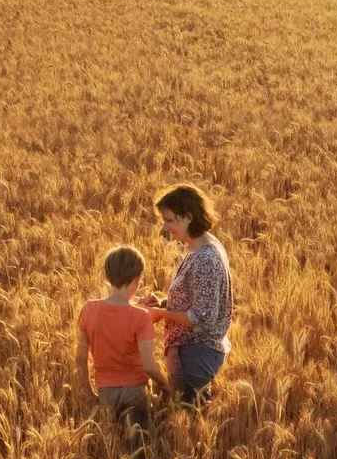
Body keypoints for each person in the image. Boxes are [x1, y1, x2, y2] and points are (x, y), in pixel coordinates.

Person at [141, 183, 233, 402]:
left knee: (188, 418)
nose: (165, 227)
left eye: (170, 220)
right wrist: (164, 303)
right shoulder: (202, 247)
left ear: (188, 217)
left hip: (194, 353)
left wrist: (161, 315)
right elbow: (198, 300)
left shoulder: (205, 259)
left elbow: (202, 318)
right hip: (193, 351)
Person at [77, 245, 170, 443]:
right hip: (135, 392)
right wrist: (165, 385)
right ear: (137, 279)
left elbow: (80, 358)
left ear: (108, 275)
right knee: (138, 448)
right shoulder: (141, 317)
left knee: (112, 448)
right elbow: (149, 366)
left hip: (105, 391)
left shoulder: (89, 309)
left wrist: (88, 392)